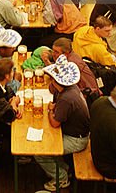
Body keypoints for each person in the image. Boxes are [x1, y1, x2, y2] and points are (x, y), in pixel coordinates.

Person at [34, 55, 90, 191]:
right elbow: (52, 91)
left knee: (40, 152)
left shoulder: (66, 98)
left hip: (77, 140)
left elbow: (54, 123)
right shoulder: (71, 88)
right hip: (74, 132)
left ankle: (61, 178)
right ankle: (64, 168)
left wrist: (49, 111)